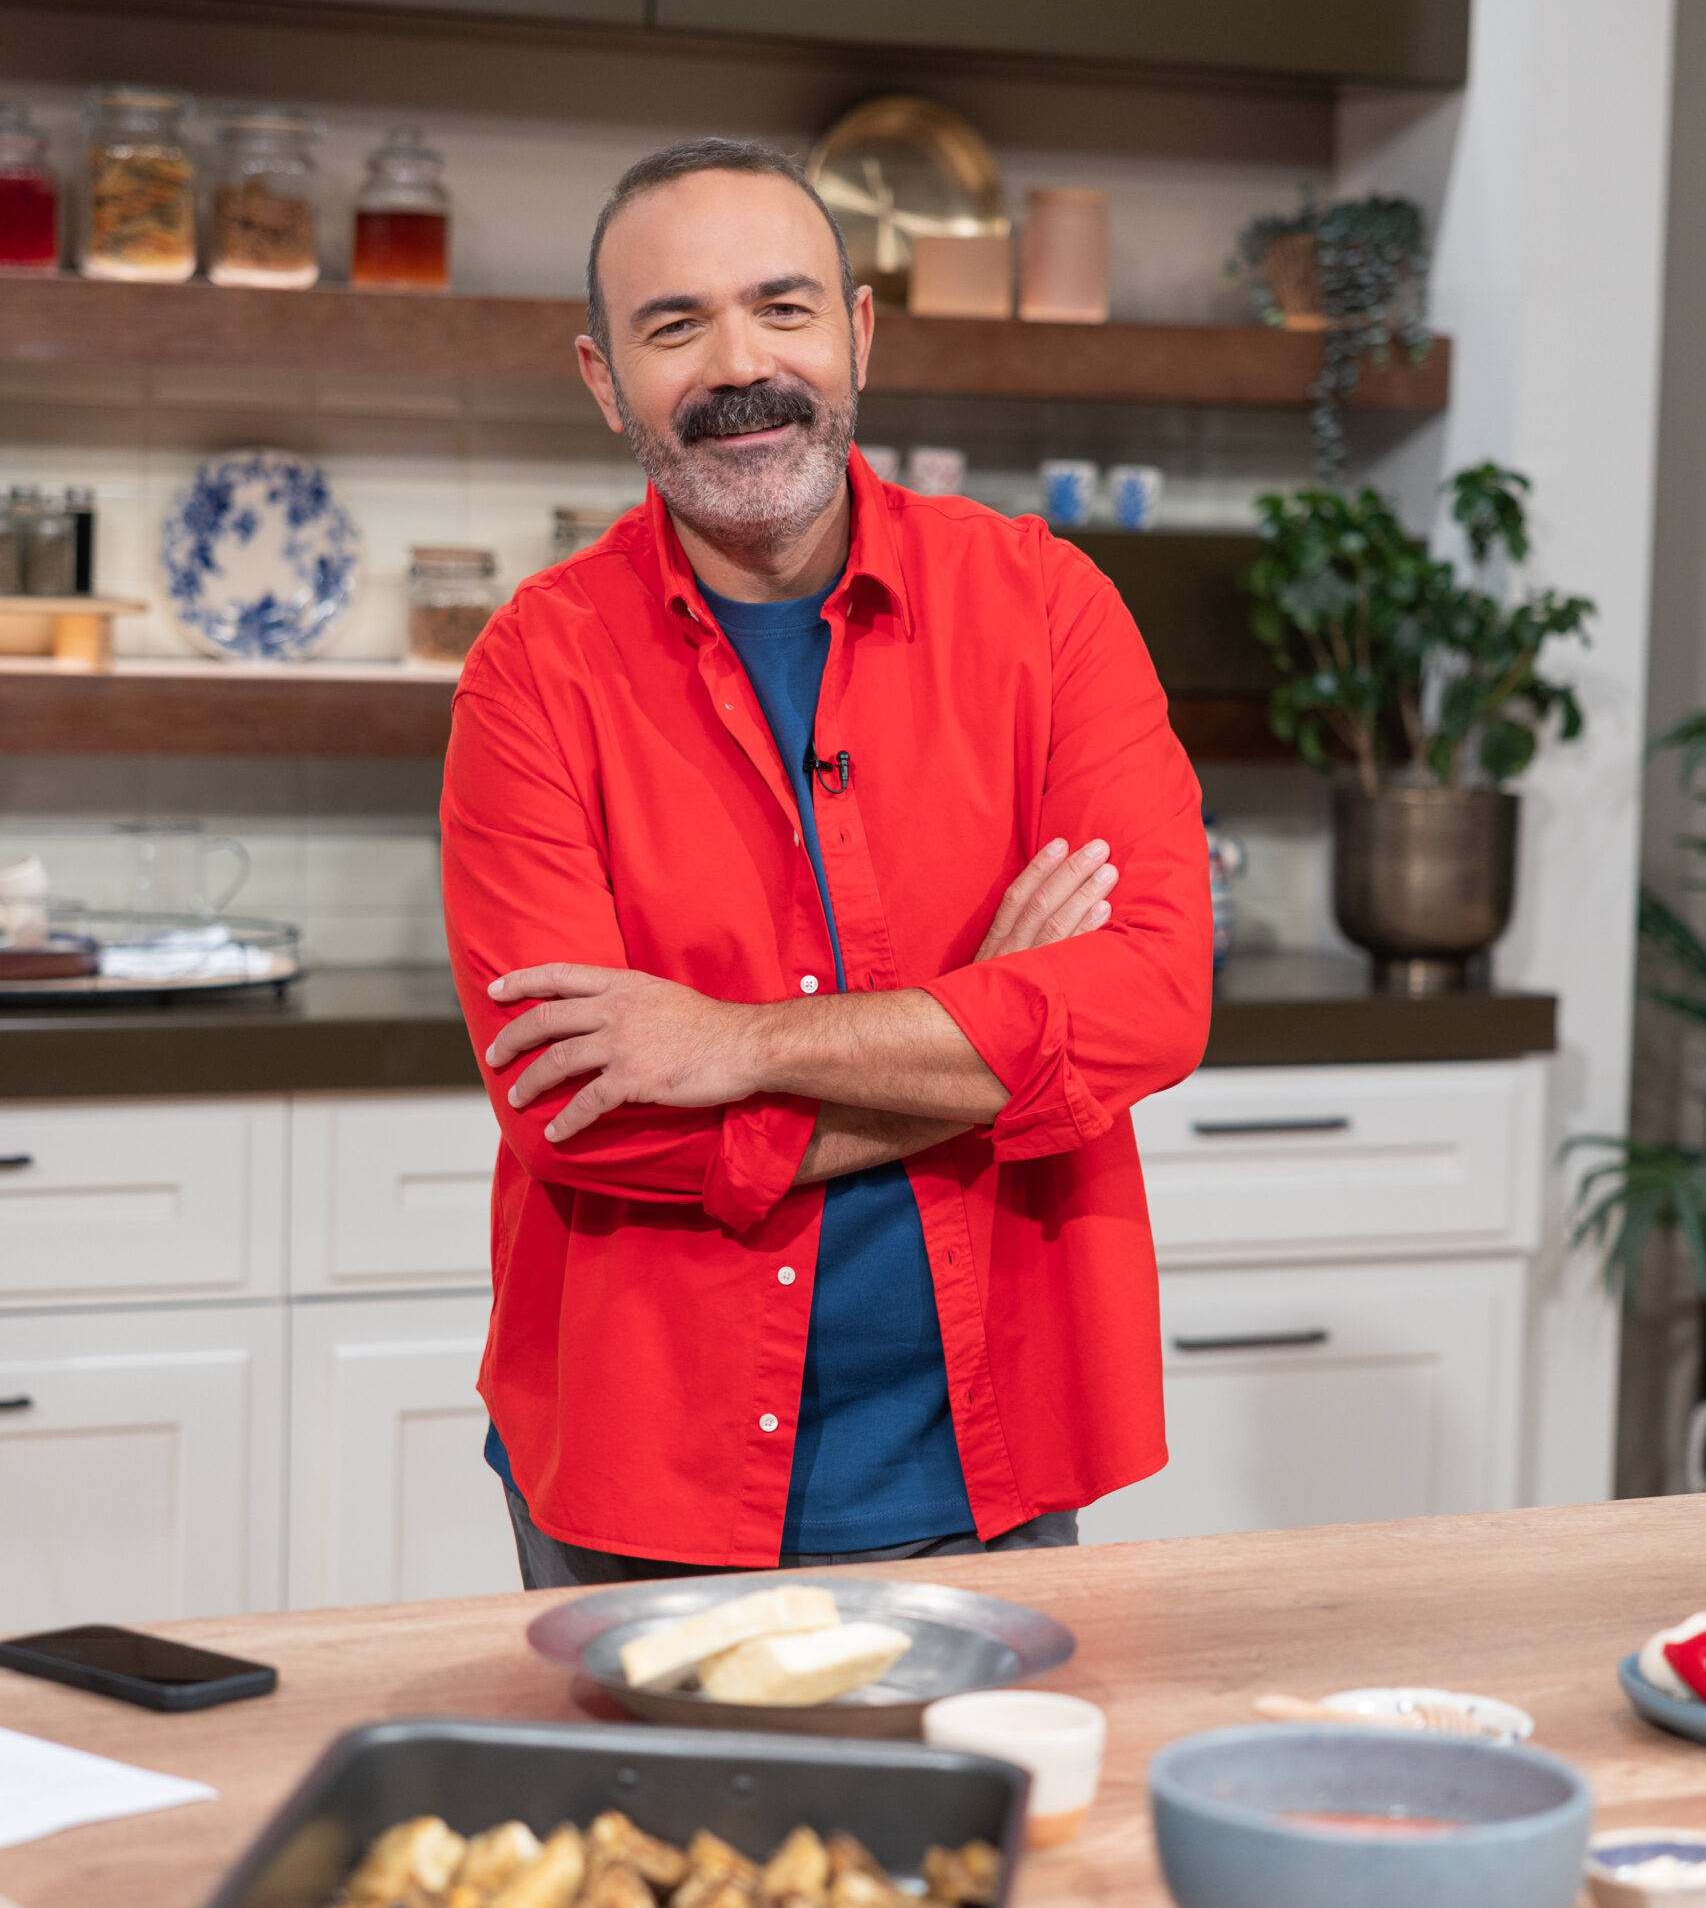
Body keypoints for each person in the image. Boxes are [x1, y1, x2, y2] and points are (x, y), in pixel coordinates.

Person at [440, 137, 1212, 1585]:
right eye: (675, 325)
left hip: (984, 1458)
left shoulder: (1048, 609)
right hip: (639, 1479)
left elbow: (1152, 1002)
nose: (741, 364)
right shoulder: (532, 671)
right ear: (604, 378)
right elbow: (579, 1116)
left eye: (782, 308)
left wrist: (731, 1045)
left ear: (857, 331)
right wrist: (981, 1037)